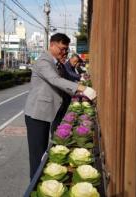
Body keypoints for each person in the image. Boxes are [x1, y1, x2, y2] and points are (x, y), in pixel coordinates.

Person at [24, 33, 97, 180]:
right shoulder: (43, 61)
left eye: (66, 50)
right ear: (51, 45)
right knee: (38, 155)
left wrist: (83, 81)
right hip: (36, 114)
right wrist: (82, 89)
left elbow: (67, 78)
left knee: (46, 152)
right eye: (62, 49)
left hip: (48, 112)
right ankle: (34, 184)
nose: (64, 52)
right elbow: (55, 80)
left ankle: (41, 179)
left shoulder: (58, 63)